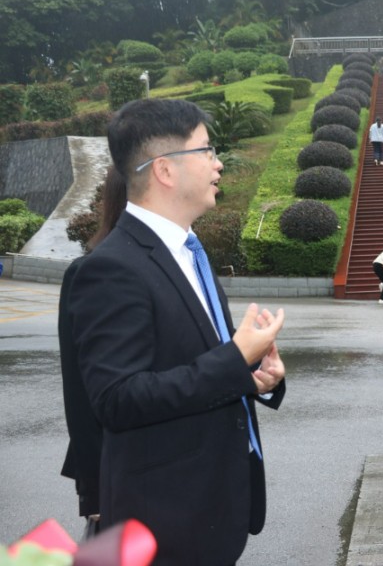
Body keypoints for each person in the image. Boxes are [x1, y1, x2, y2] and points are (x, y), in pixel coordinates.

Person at [68, 98, 287, 565]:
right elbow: (117, 398)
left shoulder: (188, 250)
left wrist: (253, 373)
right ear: (165, 170)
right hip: (165, 521)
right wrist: (233, 358)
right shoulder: (112, 269)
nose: (218, 162)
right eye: (206, 150)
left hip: (211, 510)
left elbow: (191, 360)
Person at [58, 166, 127, 539]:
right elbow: (81, 392)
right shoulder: (93, 272)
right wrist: (94, 492)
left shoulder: (188, 261)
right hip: (115, 478)